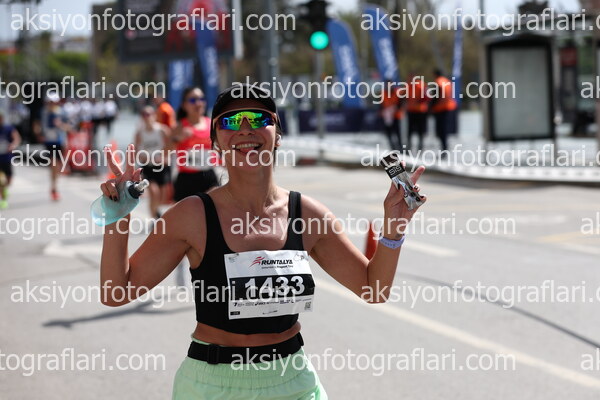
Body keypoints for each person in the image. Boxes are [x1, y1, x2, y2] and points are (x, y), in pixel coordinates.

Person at [98, 84, 427, 399]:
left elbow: (373, 288)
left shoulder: (308, 214)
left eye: (258, 118)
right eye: (230, 121)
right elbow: (116, 292)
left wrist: (394, 228)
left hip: (294, 382)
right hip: (213, 385)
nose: (245, 128)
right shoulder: (191, 216)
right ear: (215, 141)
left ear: (278, 136)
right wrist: (118, 217)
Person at [134, 106, 171, 219]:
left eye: (149, 114)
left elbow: (171, 146)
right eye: (144, 115)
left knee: (161, 196)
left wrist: (164, 157)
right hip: (148, 166)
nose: (146, 117)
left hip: (161, 166)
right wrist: (142, 158)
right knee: (154, 192)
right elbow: (136, 151)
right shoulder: (140, 133)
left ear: (154, 115)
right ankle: (154, 218)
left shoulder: (162, 130)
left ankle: (156, 212)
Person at [38, 91, 69, 201]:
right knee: (54, 163)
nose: (51, 104)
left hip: (60, 141)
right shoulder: (43, 112)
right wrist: (39, 134)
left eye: (53, 102)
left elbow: (68, 127)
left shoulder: (62, 112)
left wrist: (60, 125)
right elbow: (38, 124)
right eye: (50, 102)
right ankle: (54, 188)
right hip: (49, 142)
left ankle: (54, 184)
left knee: (58, 166)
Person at [430, 69, 457, 153]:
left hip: (440, 109)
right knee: (444, 129)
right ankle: (445, 147)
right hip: (448, 107)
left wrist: (431, 106)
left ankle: (444, 148)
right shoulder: (447, 81)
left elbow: (436, 96)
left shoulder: (438, 82)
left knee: (441, 130)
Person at [0, 112, 22, 209]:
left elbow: (17, 138)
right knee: (1, 180)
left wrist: (13, 145)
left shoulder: (8, 128)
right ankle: (3, 200)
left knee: (8, 179)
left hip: (7, 157)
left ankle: (5, 189)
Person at [406, 75, 429, 152]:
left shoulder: (421, 85)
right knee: (410, 130)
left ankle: (420, 145)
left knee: (420, 129)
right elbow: (405, 96)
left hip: (420, 110)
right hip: (411, 110)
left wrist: (418, 101)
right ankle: (409, 145)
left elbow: (427, 96)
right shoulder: (408, 86)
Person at [380, 81, 405, 151]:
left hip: (396, 116)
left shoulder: (397, 92)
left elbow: (401, 102)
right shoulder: (383, 93)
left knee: (398, 133)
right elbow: (381, 105)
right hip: (387, 117)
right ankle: (392, 147)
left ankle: (400, 148)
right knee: (388, 132)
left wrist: (395, 108)